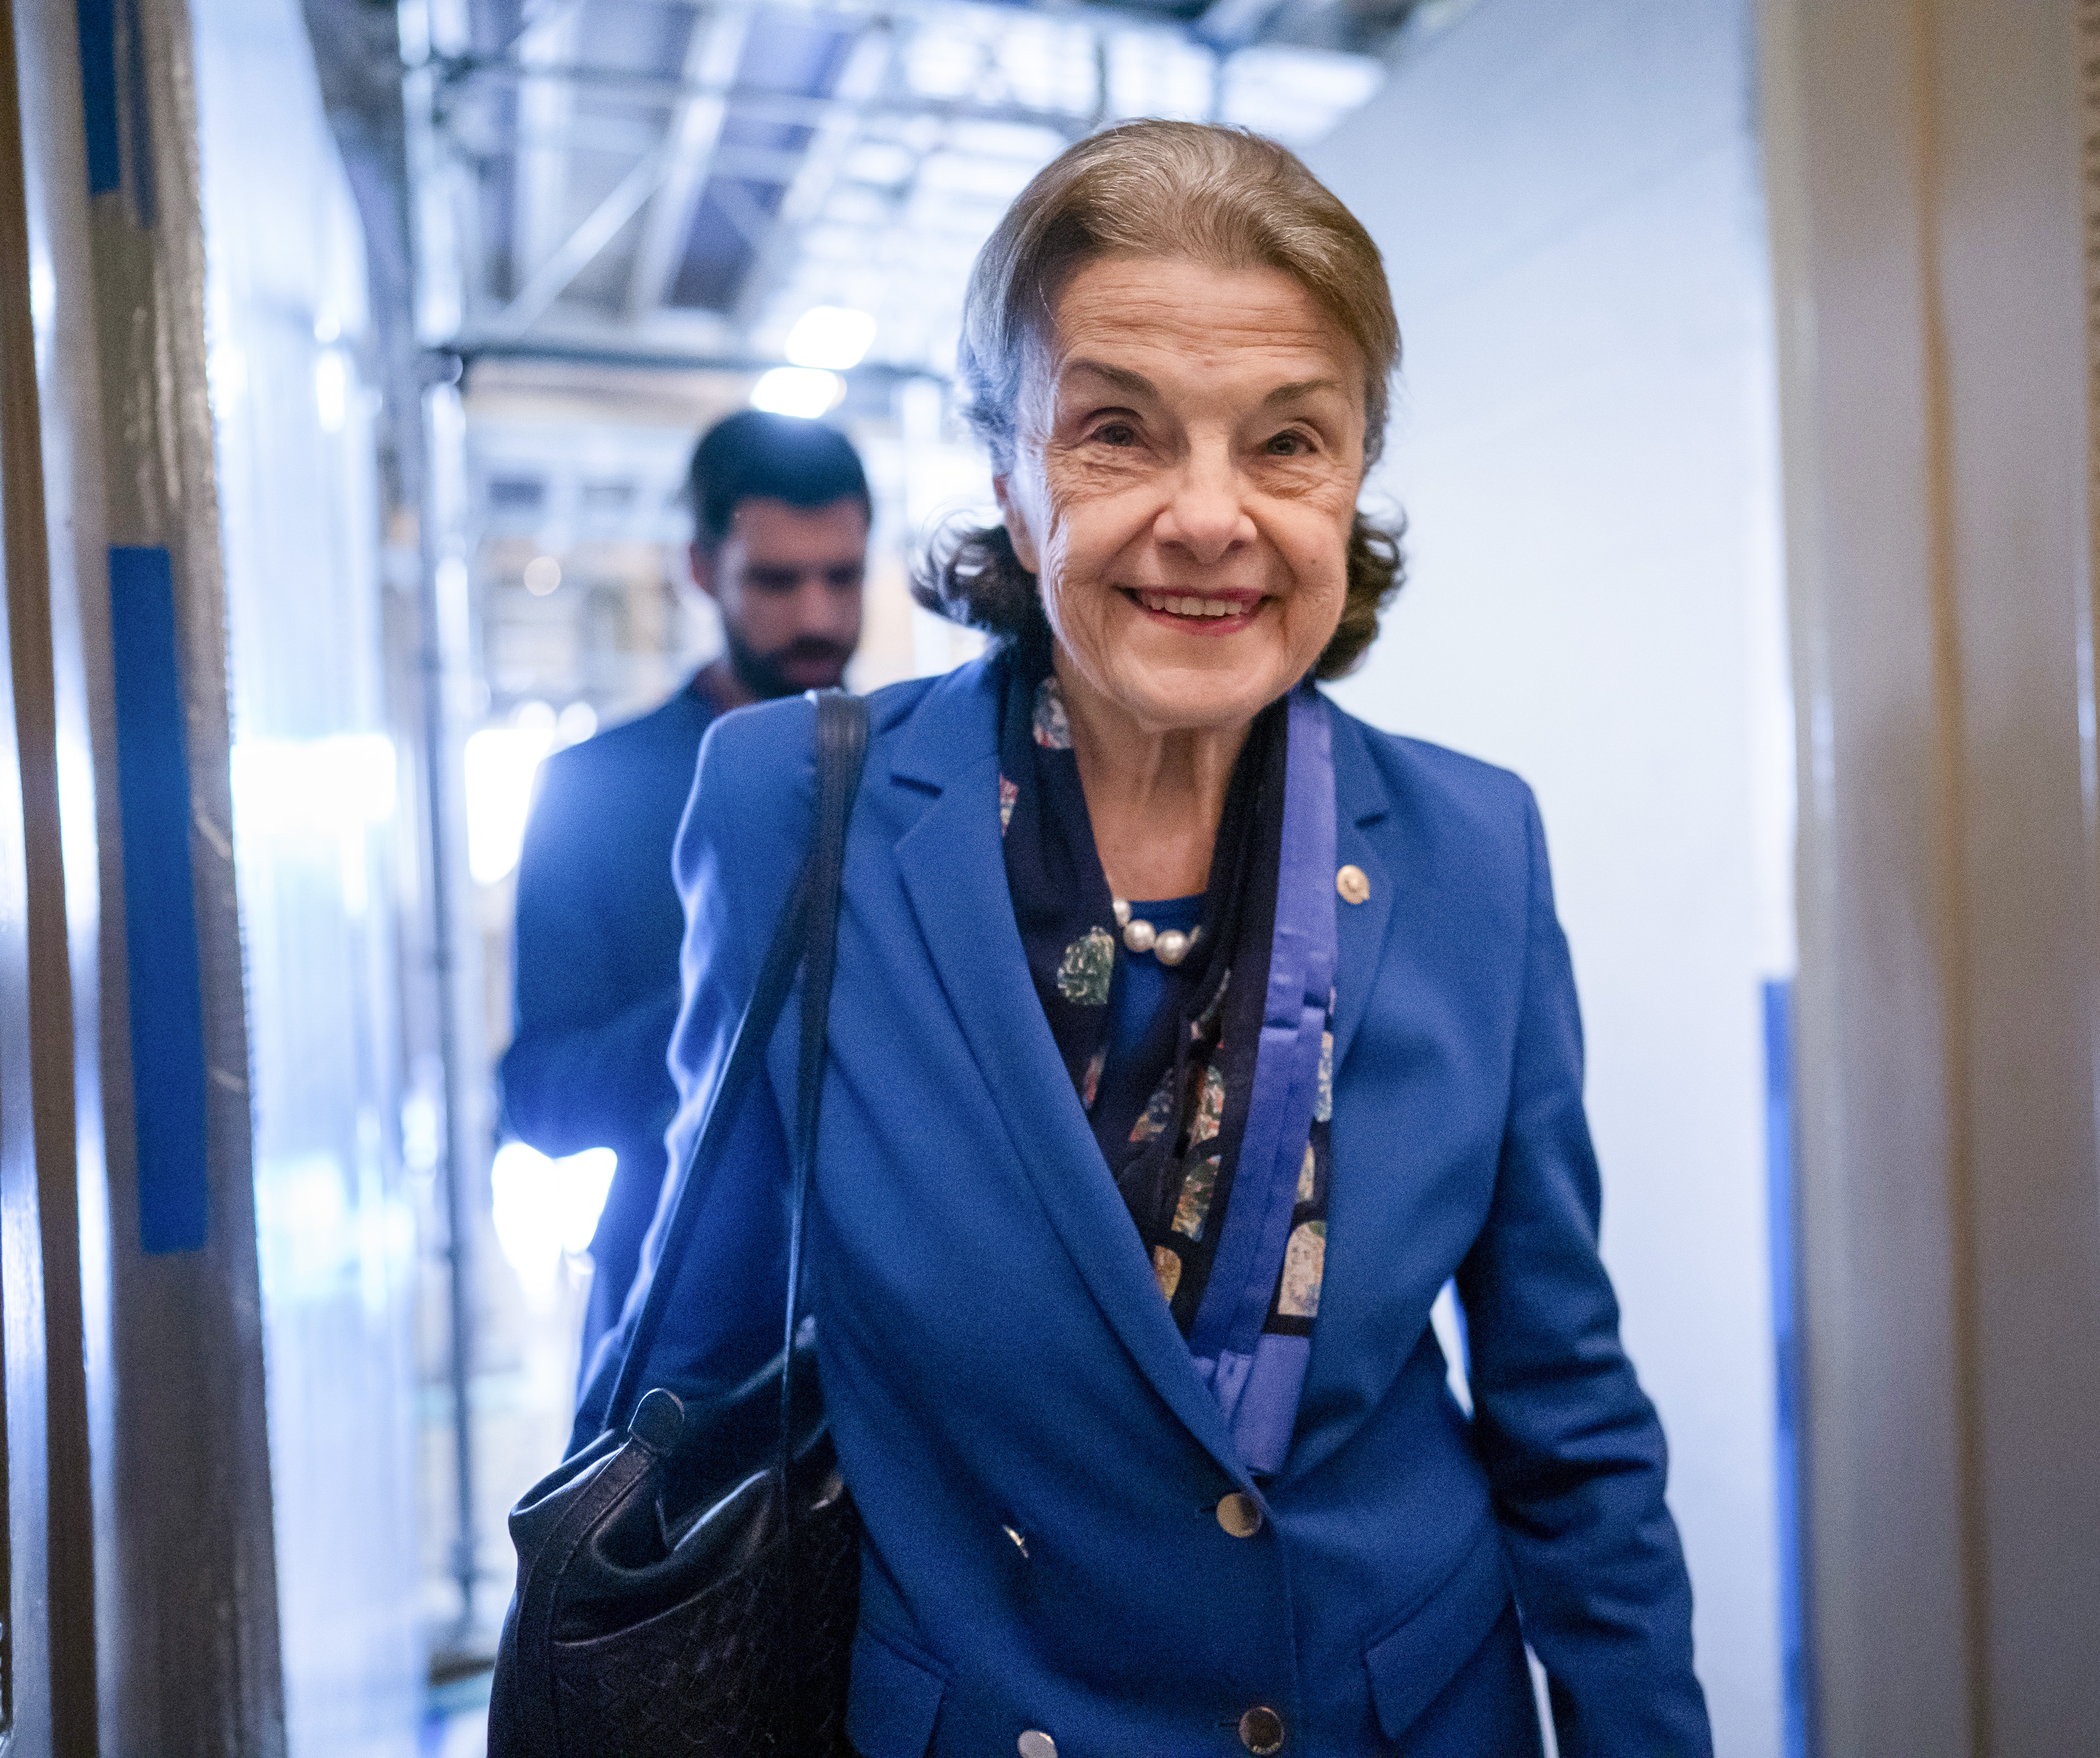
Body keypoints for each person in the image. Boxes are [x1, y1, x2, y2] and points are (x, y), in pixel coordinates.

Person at [583, 121, 1710, 1755]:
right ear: (1011, 475)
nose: (1208, 517)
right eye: (1117, 430)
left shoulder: (1475, 851)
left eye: (1288, 442)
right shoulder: (800, 810)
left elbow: (1572, 1421)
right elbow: (688, 1363)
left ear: (1355, 477)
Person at [499, 410, 871, 1356]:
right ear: (702, 569)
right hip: (679, 1333)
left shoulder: (915, 775)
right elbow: (541, 1101)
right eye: (776, 581)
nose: (818, 616)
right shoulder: (594, 789)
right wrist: (746, 996)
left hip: (887, 1327)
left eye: (843, 577)